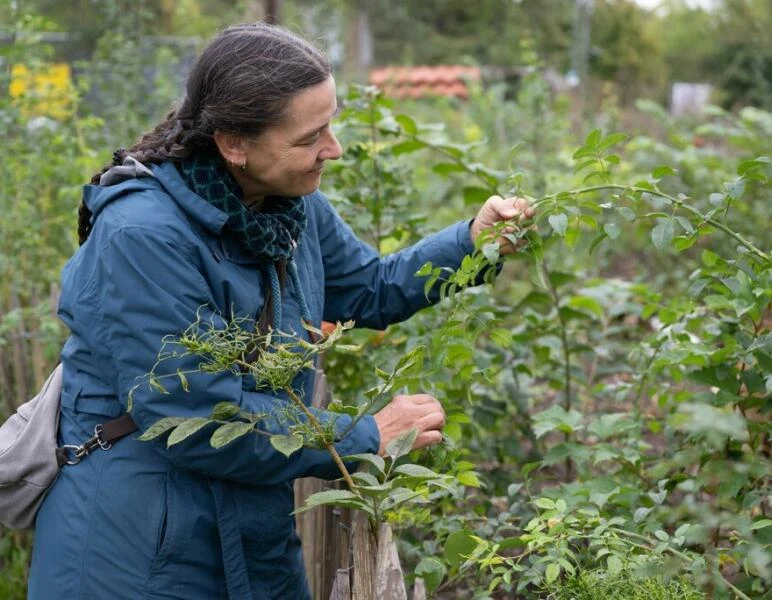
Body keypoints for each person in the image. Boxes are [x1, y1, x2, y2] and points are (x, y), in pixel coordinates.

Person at [28, 22, 530, 600]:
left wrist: (474, 241)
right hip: (137, 549)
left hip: (248, 523)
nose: (333, 149)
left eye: (331, 125)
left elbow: (370, 286)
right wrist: (366, 434)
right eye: (309, 136)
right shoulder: (141, 236)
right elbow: (199, 417)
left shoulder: (285, 206)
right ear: (234, 142)